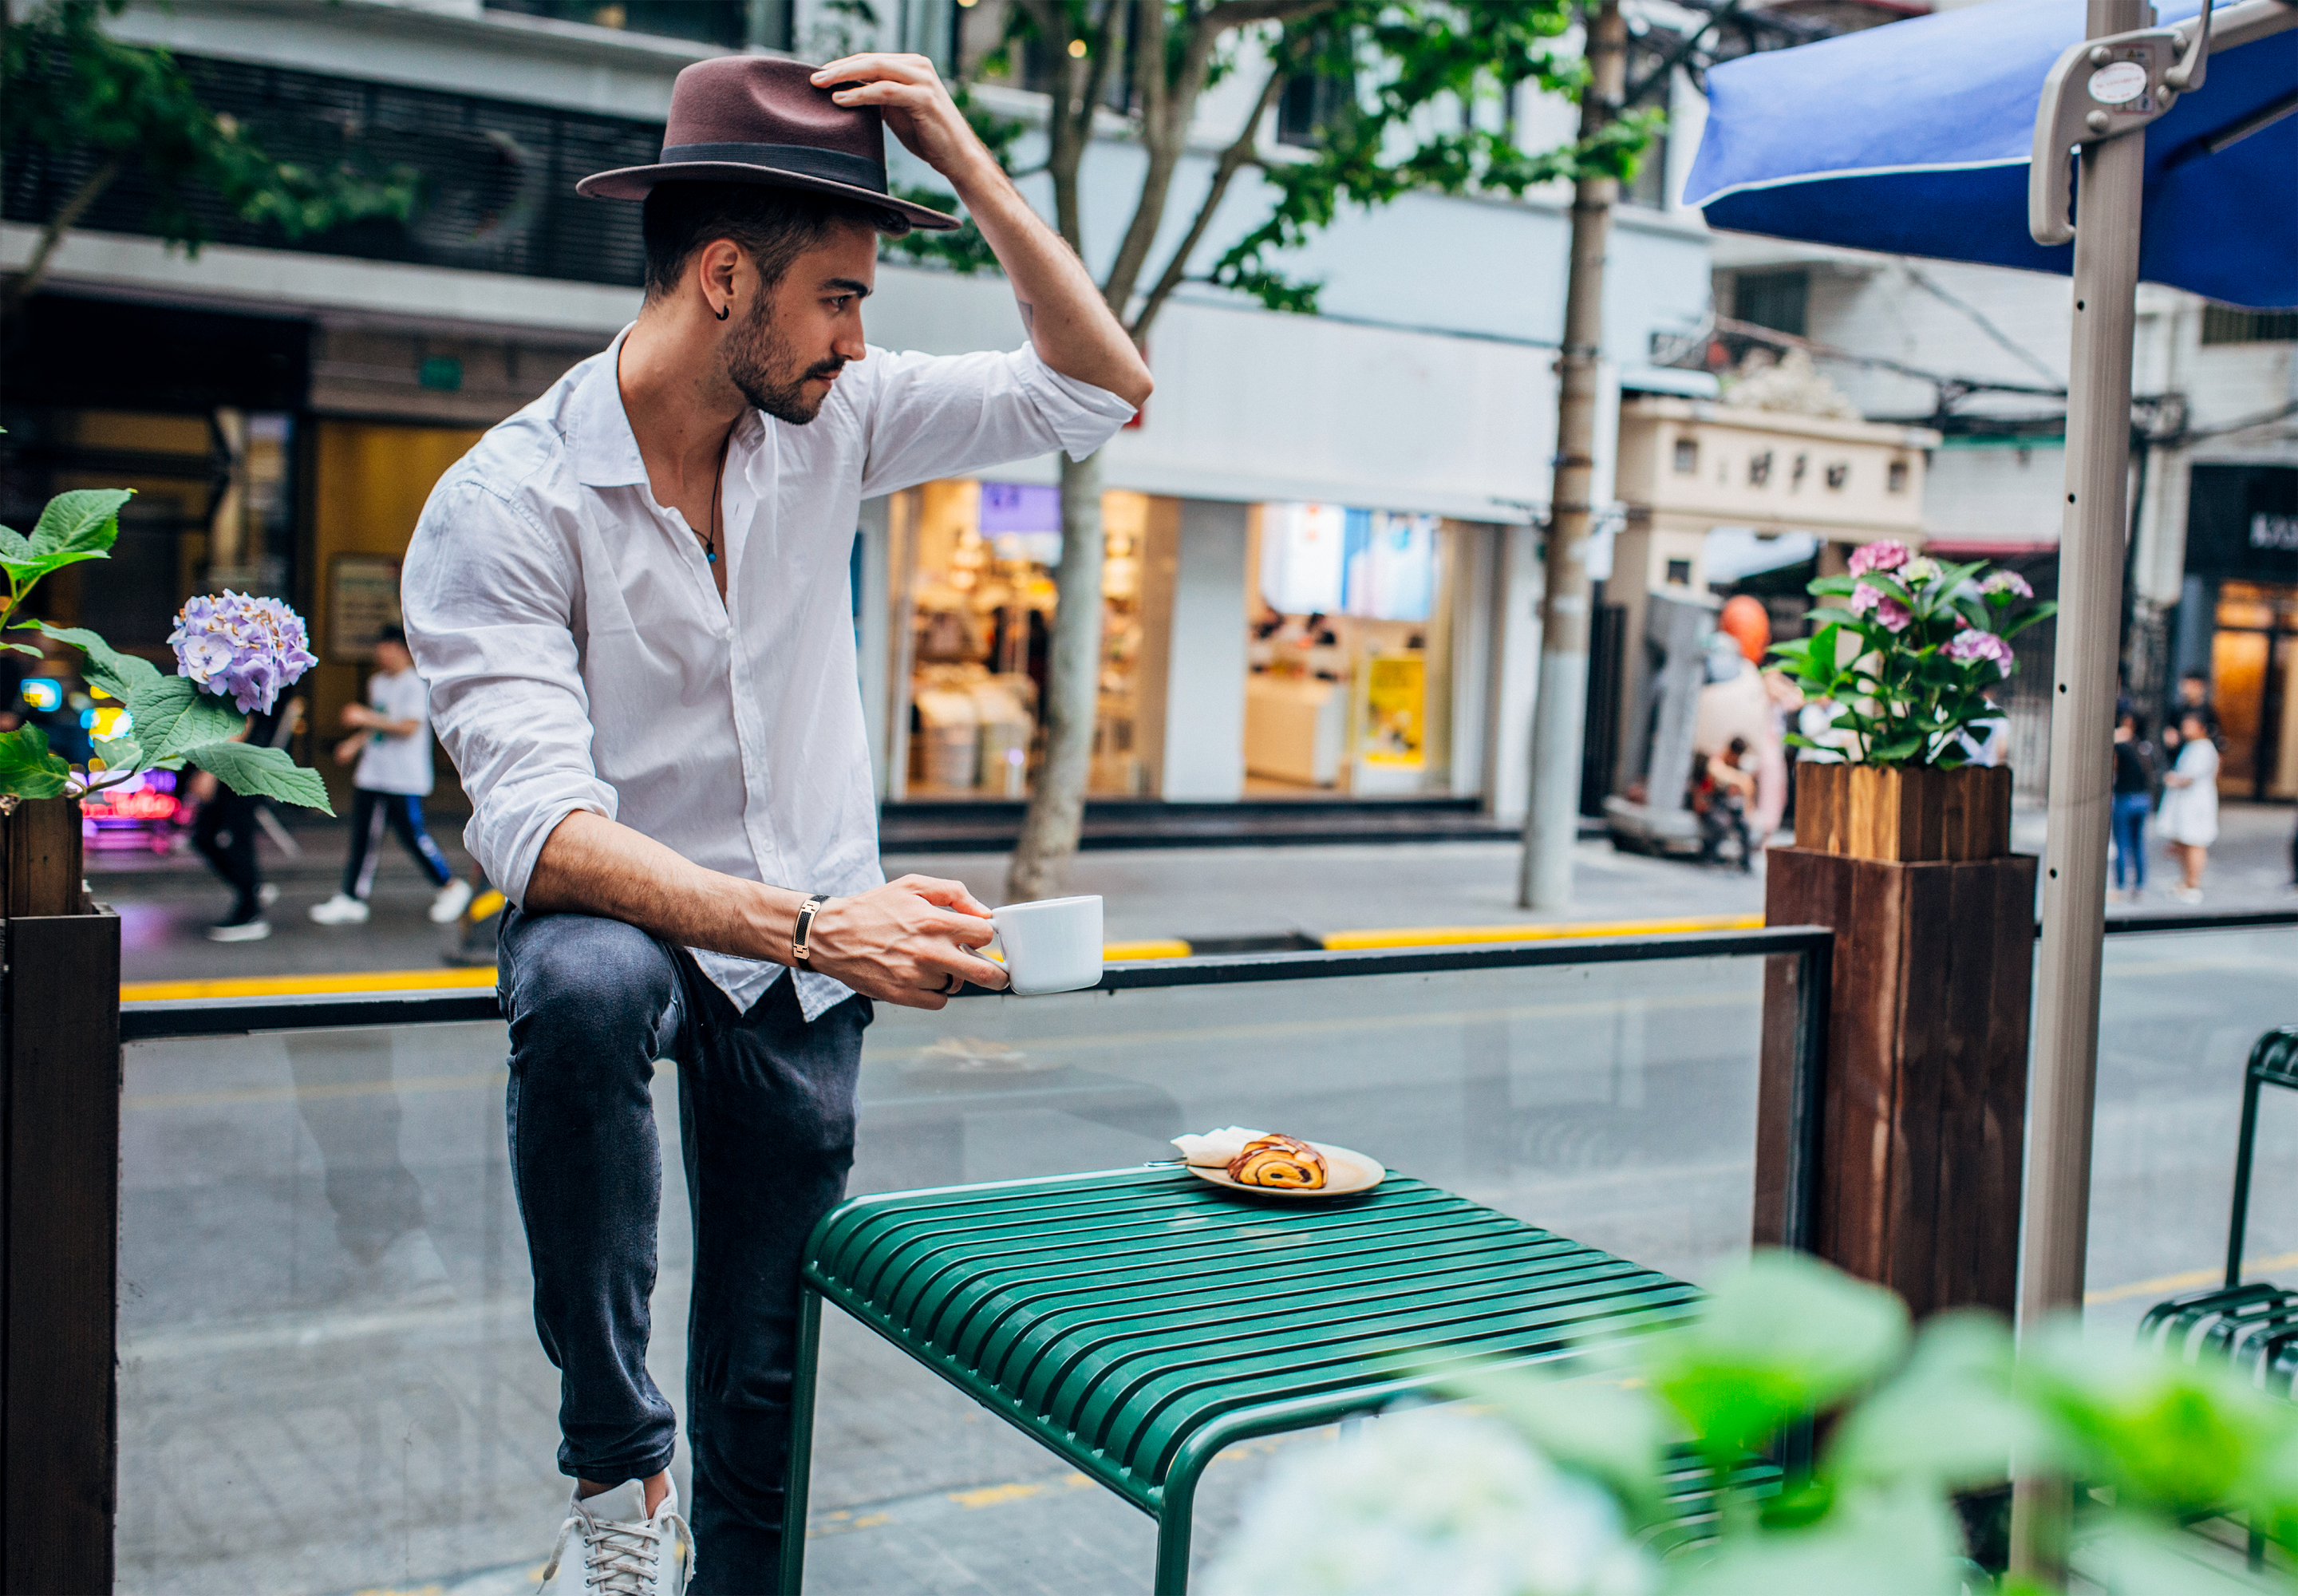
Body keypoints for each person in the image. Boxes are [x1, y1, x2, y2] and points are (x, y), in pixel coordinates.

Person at [398, 52, 1149, 1596]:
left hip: (809, 974)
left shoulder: (836, 419)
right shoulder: (507, 504)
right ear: (726, 278)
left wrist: (957, 149)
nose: (859, 340)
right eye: (840, 298)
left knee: (767, 1393)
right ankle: (616, 1476)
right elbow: (536, 829)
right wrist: (819, 924)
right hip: (676, 926)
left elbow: (1097, 389)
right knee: (581, 979)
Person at [308, 625, 473, 927]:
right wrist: (354, 744)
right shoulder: (378, 683)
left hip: (403, 777)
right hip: (373, 773)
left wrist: (364, 716)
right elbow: (377, 725)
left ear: (400, 650)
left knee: (412, 836)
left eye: (385, 649)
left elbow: (409, 726)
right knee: (364, 838)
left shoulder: (414, 684)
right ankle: (352, 897)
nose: (380, 655)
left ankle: (451, 886)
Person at [189, 701, 297, 940]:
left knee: (235, 838)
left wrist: (210, 772)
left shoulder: (244, 672)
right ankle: (252, 891)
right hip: (239, 767)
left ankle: (250, 912)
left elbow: (242, 722)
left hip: (241, 770)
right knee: (205, 837)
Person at [2158, 708, 2220, 903]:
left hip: (2196, 804)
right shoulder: (2191, 746)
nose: (2185, 728)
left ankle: (2193, 884)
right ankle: (2185, 882)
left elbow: (2190, 778)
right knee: (2184, 842)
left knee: (2195, 843)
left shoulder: (2204, 748)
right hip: (2185, 803)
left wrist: (2174, 779)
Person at [2110, 709, 2158, 901]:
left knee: (2121, 843)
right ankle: (2139, 886)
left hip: (2124, 798)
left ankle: (2120, 886)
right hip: (2143, 799)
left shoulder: (2122, 746)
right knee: (2138, 844)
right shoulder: (2147, 747)